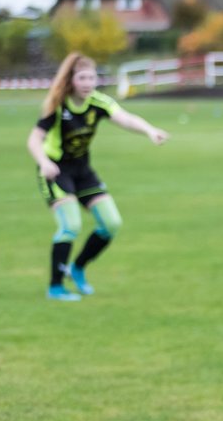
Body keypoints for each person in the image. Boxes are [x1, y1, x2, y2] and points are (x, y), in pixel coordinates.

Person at [26, 51, 169, 301]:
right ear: (71, 80)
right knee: (70, 226)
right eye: (82, 78)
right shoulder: (57, 105)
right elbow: (34, 140)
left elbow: (125, 118)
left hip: (83, 171)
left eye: (91, 78)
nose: (88, 83)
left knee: (111, 223)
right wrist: (44, 162)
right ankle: (56, 287)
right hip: (56, 170)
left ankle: (77, 267)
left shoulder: (98, 102)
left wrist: (149, 130)